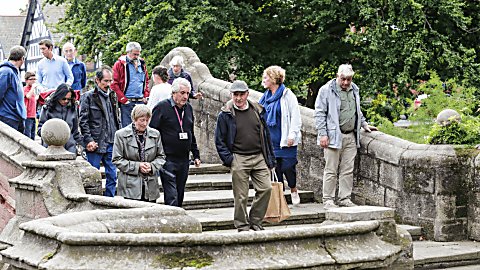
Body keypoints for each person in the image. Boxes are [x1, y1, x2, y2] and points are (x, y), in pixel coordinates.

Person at [215, 80, 275, 232]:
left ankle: (255, 220)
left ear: (247, 94)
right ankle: (242, 225)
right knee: (241, 196)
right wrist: (229, 159)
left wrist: (270, 158)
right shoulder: (226, 114)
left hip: (259, 156)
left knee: (266, 189)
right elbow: (219, 140)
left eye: (242, 94)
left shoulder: (257, 110)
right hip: (239, 157)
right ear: (231, 95)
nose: (239, 98)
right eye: (236, 94)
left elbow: (266, 135)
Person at [314, 64, 377, 209]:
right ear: (337, 76)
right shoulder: (326, 90)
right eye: (343, 79)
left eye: (349, 79)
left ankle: (344, 198)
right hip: (333, 135)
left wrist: (364, 124)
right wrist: (323, 134)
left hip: (351, 136)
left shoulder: (354, 89)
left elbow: (356, 110)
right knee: (331, 169)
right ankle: (328, 199)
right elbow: (319, 113)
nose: (346, 83)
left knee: (347, 170)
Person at [149, 78, 201, 207]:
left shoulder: (188, 108)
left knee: (180, 191)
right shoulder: (162, 107)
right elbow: (152, 132)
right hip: (167, 158)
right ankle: (174, 220)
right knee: (171, 194)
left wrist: (196, 154)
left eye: (187, 94)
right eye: (182, 93)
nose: (185, 96)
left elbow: (190, 132)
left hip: (184, 158)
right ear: (174, 93)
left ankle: (178, 219)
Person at [259, 65, 302, 205]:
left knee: (289, 167)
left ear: (273, 79)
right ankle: (280, 197)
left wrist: (292, 135)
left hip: (285, 139)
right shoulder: (264, 98)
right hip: (270, 140)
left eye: (266, 77)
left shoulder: (287, 95)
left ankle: (293, 188)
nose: (263, 80)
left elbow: (295, 116)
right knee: (275, 169)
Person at [79, 65, 120, 197]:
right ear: (97, 80)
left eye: (110, 81)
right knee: (93, 177)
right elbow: (83, 121)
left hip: (111, 141)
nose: (108, 84)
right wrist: (88, 140)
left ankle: (110, 201)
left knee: (112, 176)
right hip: (95, 142)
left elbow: (116, 118)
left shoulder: (113, 95)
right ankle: (94, 201)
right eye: (105, 81)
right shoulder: (88, 97)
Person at [112, 104, 166, 202]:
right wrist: (138, 166)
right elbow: (117, 159)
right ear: (134, 119)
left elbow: (161, 157)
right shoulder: (120, 135)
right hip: (129, 186)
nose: (145, 123)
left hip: (150, 186)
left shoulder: (155, 134)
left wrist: (152, 166)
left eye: (147, 120)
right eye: (142, 120)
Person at [111, 42, 150, 128]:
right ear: (128, 52)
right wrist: (123, 99)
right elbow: (114, 84)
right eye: (134, 54)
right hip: (127, 101)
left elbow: (146, 81)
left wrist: (146, 95)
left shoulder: (142, 64)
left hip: (140, 101)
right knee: (127, 128)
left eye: (138, 54)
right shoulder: (120, 64)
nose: (136, 56)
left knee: (141, 127)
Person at [37, 83, 81, 153]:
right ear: (58, 96)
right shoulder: (47, 108)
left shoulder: (73, 109)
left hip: (70, 148)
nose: (66, 101)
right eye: (64, 99)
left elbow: (75, 132)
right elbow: (40, 129)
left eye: (68, 99)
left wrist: (84, 144)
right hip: (50, 148)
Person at [0, 45, 27, 133]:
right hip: (8, 116)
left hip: (16, 116)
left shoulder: (14, 71)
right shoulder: (6, 71)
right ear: (22, 58)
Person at [23, 71, 38, 140]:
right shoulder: (25, 89)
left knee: (32, 137)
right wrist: (33, 88)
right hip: (27, 116)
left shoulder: (34, 90)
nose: (33, 81)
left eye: (35, 79)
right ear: (26, 80)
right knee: (27, 137)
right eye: (31, 79)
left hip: (33, 116)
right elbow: (28, 96)